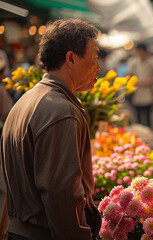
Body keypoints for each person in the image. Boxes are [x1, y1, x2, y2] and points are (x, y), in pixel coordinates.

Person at [0, 19, 101, 239]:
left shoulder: (26, 101)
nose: (99, 67)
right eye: (93, 59)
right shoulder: (61, 111)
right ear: (71, 58)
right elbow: (62, 195)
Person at [128, 43, 153, 127]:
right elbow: (129, 75)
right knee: (137, 118)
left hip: (148, 93)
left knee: (148, 117)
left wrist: (148, 82)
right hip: (136, 93)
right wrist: (136, 82)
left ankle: (148, 134)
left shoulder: (151, 63)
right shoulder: (133, 63)